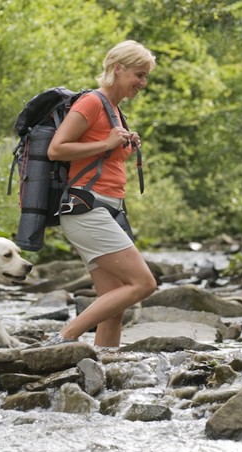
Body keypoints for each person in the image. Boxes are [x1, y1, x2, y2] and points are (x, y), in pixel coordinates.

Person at [45, 40, 158, 347]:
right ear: (118, 69)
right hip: (86, 209)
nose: (143, 83)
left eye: (146, 76)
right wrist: (107, 144)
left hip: (105, 208)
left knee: (113, 306)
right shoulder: (92, 103)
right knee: (144, 283)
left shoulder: (115, 111)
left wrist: (122, 148)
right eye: (139, 74)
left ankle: (107, 368)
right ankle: (63, 336)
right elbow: (57, 149)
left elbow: (101, 157)